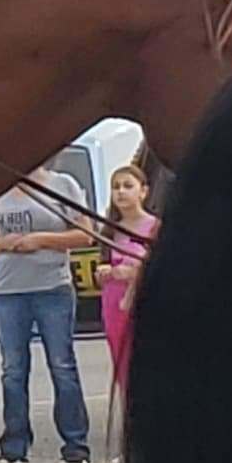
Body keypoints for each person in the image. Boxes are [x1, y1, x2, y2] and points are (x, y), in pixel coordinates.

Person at [0, 170, 96, 463]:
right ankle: (14, 445)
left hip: (52, 287)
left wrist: (42, 239)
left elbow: (85, 233)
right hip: (8, 290)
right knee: (13, 369)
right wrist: (6, 243)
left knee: (61, 365)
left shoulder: (63, 185)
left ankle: (75, 445)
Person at [93, 162, 160, 400]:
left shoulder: (155, 227)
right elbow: (104, 262)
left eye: (127, 186)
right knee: (121, 360)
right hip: (114, 301)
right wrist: (105, 272)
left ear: (143, 191)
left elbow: (162, 267)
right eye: (116, 187)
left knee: (147, 357)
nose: (120, 191)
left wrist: (133, 273)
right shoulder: (110, 229)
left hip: (144, 300)